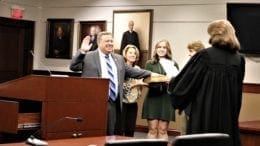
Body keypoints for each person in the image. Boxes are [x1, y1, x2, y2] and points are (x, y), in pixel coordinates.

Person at [168, 19, 245, 146]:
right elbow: (238, 95)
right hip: (228, 119)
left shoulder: (205, 55)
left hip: (204, 116)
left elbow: (185, 84)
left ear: (214, 35)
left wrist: (172, 85)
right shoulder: (239, 59)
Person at [70, 31, 157, 136]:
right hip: (94, 104)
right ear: (99, 43)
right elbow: (73, 67)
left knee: (113, 135)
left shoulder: (118, 58)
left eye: (111, 41)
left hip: (114, 104)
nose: (110, 43)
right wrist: (82, 51)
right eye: (107, 41)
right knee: (95, 135)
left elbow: (133, 72)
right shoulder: (89, 57)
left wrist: (152, 74)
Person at [142, 39, 179, 140]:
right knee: (152, 129)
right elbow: (145, 81)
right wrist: (155, 81)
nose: (161, 49)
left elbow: (177, 82)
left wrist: (171, 82)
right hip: (153, 98)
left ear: (168, 50)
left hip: (166, 99)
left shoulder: (173, 63)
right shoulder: (150, 63)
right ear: (156, 49)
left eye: (164, 47)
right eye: (159, 47)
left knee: (163, 130)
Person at [121, 44, 147, 137]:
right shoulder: (121, 67)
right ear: (125, 54)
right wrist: (136, 84)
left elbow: (139, 88)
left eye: (134, 53)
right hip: (122, 103)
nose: (133, 55)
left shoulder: (137, 69)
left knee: (130, 130)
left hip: (133, 104)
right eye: (130, 53)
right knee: (120, 130)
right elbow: (120, 87)